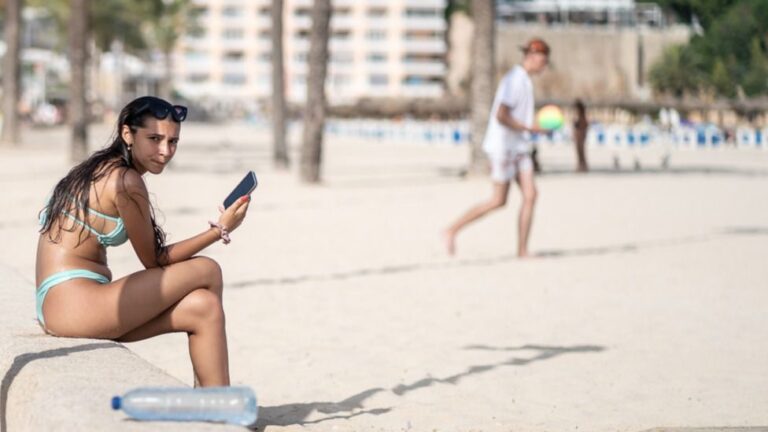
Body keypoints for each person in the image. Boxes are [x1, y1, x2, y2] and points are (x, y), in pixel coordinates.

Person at [35, 96, 251, 387]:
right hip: (71, 304)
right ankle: (219, 400)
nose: (165, 151)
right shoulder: (125, 181)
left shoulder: (100, 166)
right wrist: (219, 229)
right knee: (207, 269)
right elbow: (154, 260)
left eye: (173, 142)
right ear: (128, 134)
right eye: (154, 139)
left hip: (61, 302)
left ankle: (213, 398)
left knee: (203, 307)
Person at [444, 38, 550, 258]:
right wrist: (529, 128)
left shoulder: (524, 80)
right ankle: (452, 230)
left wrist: (529, 129)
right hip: (504, 147)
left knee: (531, 195)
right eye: (544, 60)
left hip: (519, 147)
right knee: (498, 200)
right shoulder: (515, 80)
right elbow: (501, 115)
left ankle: (522, 250)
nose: (545, 66)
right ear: (533, 57)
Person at [573, 98, 589, 172]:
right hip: (580, 135)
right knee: (580, 151)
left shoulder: (581, 115)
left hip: (580, 135)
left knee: (580, 151)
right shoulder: (580, 115)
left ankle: (582, 166)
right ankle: (581, 165)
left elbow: (584, 125)